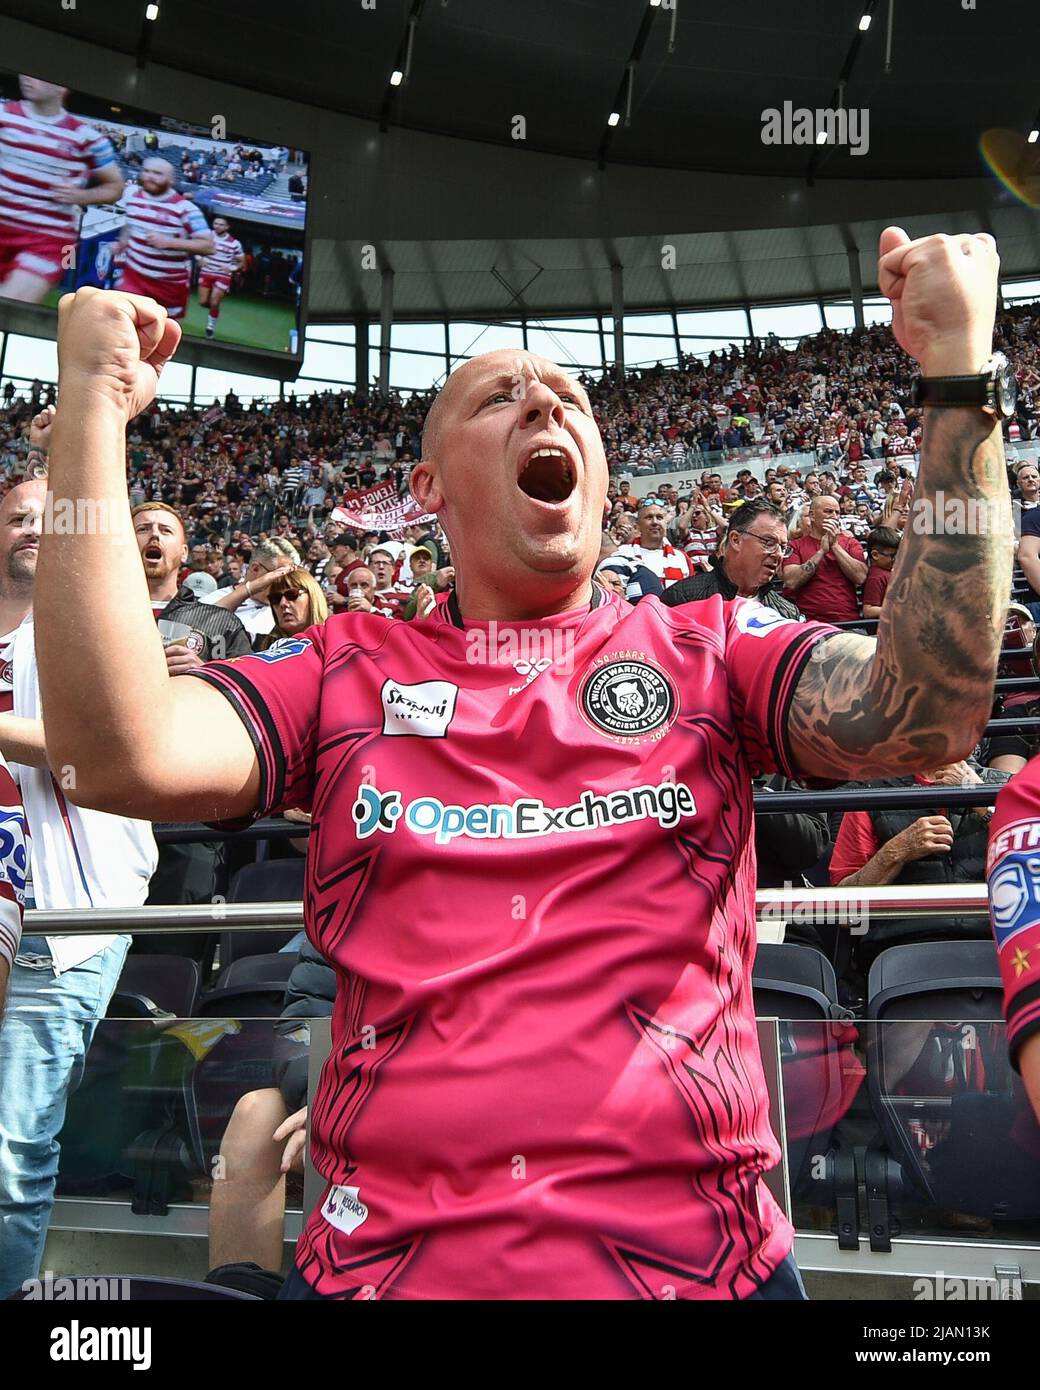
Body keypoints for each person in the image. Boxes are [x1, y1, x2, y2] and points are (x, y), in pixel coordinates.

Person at [38, 226, 1010, 1300]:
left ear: (598, 483)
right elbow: (114, 756)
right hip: (388, 1275)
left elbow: (924, 718)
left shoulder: (713, 646)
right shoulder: (340, 669)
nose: (547, 404)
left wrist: (959, 375)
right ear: (427, 487)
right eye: (499, 397)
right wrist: (89, 406)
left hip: (697, 1272)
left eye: (571, 401)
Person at [0, 75, 123, 303]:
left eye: (38, 75)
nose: (27, 79)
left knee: (7, 309)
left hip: (46, 239)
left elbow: (116, 187)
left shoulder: (86, 138)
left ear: (62, 86)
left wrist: (82, 196)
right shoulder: (4, 116)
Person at [662, 499, 800, 618]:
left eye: (783, 547)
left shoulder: (787, 613)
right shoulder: (683, 599)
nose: (778, 554)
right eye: (768, 542)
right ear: (736, 540)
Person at [115, 158, 215, 321]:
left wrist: (168, 242)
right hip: (133, 278)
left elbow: (209, 246)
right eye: (146, 171)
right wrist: (122, 242)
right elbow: (130, 223)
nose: (149, 176)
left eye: (157, 173)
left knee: (162, 338)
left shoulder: (186, 209)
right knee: (119, 328)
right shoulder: (132, 197)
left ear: (171, 180)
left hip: (168, 286)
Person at [781, 495, 868, 624]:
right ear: (812, 516)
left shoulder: (851, 543)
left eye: (837, 512)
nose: (833, 516)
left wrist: (835, 546)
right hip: (809, 624)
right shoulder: (795, 545)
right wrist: (821, 552)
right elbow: (791, 581)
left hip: (847, 621)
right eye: (828, 511)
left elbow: (860, 577)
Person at [614, 499, 693, 588]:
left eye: (659, 517)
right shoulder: (622, 554)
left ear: (666, 524)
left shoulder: (681, 557)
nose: (655, 522)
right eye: (649, 517)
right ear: (637, 526)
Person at [197, 216, 245, 339]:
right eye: (215, 223)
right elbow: (196, 248)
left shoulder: (234, 243)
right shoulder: (207, 236)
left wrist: (232, 269)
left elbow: (241, 261)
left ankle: (210, 327)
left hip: (222, 275)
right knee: (203, 302)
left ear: (227, 227)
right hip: (206, 272)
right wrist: (199, 259)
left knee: (214, 301)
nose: (217, 226)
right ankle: (214, 307)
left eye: (221, 224)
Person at [259, 570, 329, 650]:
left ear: (312, 597)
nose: (283, 603)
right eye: (276, 598)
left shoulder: (335, 640)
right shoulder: (266, 647)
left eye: (292, 594)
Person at [861, 526, 901, 620]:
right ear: (875, 555)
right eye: (893, 556)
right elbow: (868, 611)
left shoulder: (887, 572)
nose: (897, 559)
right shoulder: (876, 577)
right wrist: (900, 609)